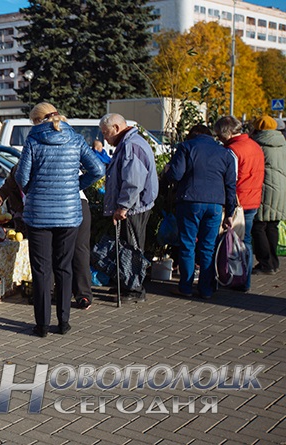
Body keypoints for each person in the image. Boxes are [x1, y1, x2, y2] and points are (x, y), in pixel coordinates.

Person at [15, 103, 104, 337]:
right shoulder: (75, 139)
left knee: (42, 270)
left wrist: (34, 191)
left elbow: (21, 177)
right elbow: (98, 169)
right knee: (64, 267)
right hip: (69, 213)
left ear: (36, 121)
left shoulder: (33, 141)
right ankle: (63, 322)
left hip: (39, 214)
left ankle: (42, 325)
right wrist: (75, 186)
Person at [164, 124, 236, 299]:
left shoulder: (187, 147)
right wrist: (230, 212)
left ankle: (186, 287)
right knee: (208, 247)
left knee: (187, 245)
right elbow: (230, 185)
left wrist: (167, 171)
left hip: (190, 201)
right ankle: (206, 289)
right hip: (215, 204)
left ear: (193, 135)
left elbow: (175, 174)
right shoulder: (225, 153)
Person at [100, 113, 159, 303]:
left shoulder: (131, 145)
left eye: (106, 133)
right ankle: (127, 285)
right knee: (127, 246)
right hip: (134, 206)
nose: (105, 139)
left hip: (134, 208)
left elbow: (133, 182)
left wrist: (123, 207)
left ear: (116, 128)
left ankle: (134, 289)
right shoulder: (128, 143)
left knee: (132, 248)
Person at [214, 116, 265, 289]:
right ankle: (244, 280)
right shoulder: (255, 146)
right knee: (245, 241)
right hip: (253, 199)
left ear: (226, 132)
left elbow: (230, 178)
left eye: (219, 134)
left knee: (225, 240)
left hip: (237, 202)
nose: (218, 138)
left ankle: (227, 276)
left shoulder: (232, 150)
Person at [250, 115, 286, 275]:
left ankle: (265, 263)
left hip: (264, 187)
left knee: (259, 226)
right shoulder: (283, 143)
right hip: (281, 189)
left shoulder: (258, 144)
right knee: (272, 225)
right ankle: (274, 262)